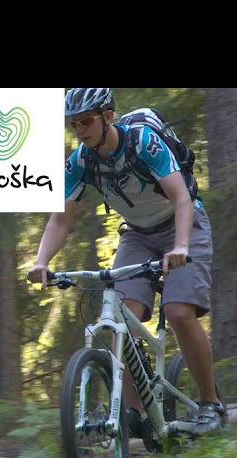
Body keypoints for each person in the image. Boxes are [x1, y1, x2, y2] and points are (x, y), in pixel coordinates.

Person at [27, 88, 225, 435]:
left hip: (183, 223)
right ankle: (131, 411)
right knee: (123, 317)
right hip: (137, 234)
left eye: (85, 121)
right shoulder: (81, 162)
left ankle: (211, 403)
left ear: (107, 117)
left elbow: (181, 197)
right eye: (73, 124)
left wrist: (179, 246)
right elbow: (60, 219)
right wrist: (41, 260)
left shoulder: (144, 143)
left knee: (179, 312)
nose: (80, 130)